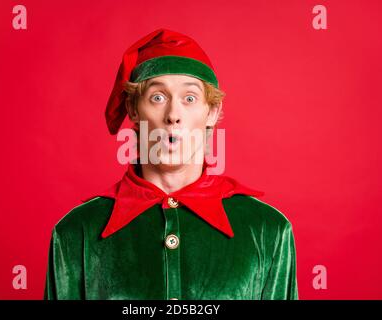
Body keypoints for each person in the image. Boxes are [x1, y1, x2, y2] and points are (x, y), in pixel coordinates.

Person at [44, 28, 298, 300]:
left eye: (189, 99)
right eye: (158, 97)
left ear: (211, 112)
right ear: (133, 109)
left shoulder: (267, 229)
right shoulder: (76, 232)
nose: (173, 115)